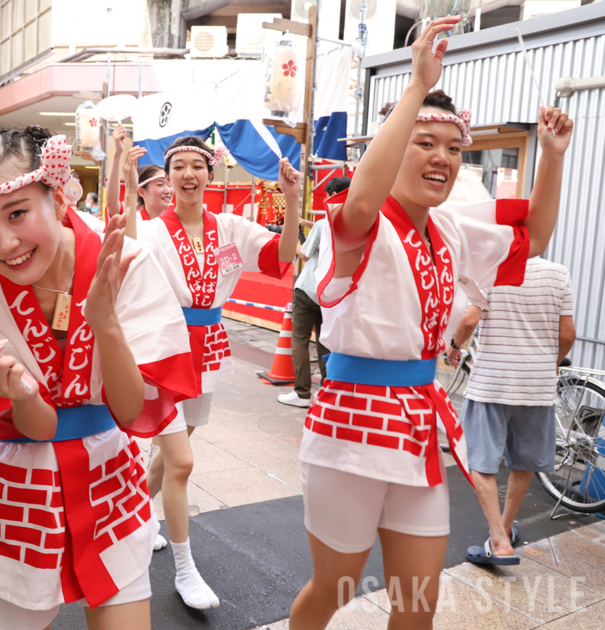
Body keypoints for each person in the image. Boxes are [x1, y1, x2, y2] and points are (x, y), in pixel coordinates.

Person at [289, 16, 573, 630]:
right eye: (424, 143)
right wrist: (417, 87)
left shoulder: (451, 227)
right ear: (393, 148)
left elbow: (535, 233)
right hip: (350, 429)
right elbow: (363, 200)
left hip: (419, 426)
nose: (442, 158)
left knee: (419, 606)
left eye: (453, 148)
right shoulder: (356, 221)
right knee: (332, 592)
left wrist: (550, 158)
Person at [0, 126, 198, 630]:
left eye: (18, 212)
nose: (3, 243)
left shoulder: (124, 262)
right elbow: (40, 426)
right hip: (17, 491)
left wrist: (106, 325)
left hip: (110, 478)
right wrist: (20, 395)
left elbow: (132, 410)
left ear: (58, 194)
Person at [125, 135, 299, 610]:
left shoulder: (231, 227)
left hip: (208, 350)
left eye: (195, 165)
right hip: (164, 347)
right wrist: (124, 184)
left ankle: (131, 518)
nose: (187, 174)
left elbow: (281, 255)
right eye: (177, 166)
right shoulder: (153, 230)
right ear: (166, 177)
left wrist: (294, 196)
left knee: (174, 449)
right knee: (180, 461)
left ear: (210, 173)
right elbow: (122, 250)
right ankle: (185, 568)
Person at [449, 257, 575, 565]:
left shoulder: (490, 269)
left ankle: (499, 540)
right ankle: (504, 528)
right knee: (523, 462)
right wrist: (552, 362)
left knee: (480, 460)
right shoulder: (559, 274)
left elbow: (469, 320)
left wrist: (454, 346)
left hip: (493, 381)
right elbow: (568, 334)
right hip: (536, 385)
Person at [278, 177, 351, 409]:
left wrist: (292, 239)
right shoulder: (354, 224)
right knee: (325, 342)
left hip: (308, 288)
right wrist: (306, 224)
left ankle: (302, 393)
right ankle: (328, 394)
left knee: (299, 340)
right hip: (331, 294)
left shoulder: (323, 223)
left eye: (329, 194)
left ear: (334, 195)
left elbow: (305, 253)